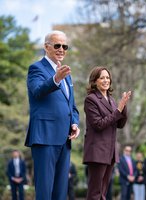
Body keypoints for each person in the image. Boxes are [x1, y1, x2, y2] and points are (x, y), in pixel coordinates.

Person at [25, 30, 80, 200]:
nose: (61, 49)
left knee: (60, 192)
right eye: (57, 45)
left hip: (64, 139)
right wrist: (55, 79)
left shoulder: (66, 74)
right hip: (45, 137)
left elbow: (72, 106)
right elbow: (38, 91)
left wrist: (75, 123)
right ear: (46, 47)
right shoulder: (36, 68)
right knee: (45, 191)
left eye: (65, 46)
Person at [83, 66, 131, 200]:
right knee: (95, 193)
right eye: (102, 77)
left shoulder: (112, 100)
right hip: (97, 151)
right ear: (94, 81)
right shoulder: (91, 99)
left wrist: (123, 107)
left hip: (110, 152)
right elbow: (99, 124)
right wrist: (119, 109)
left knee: (103, 193)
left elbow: (120, 124)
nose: (106, 80)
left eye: (108, 77)